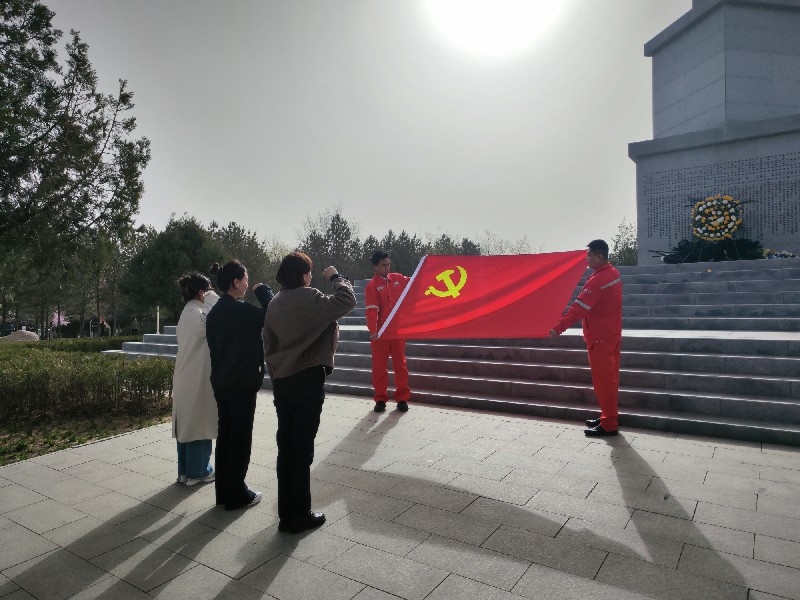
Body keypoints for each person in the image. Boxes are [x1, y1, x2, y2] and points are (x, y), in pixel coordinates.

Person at [263, 252, 355, 534]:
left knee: (287, 446)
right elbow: (347, 300)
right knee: (302, 448)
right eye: (310, 272)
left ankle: (286, 514)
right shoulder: (309, 297)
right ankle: (299, 515)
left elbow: (268, 342)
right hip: (306, 379)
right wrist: (336, 277)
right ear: (303, 274)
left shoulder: (275, 302)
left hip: (283, 381)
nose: (311, 276)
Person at [206, 260, 273, 510]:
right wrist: (263, 291)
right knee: (240, 439)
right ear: (235, 282)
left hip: (222, 382)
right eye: (245, 279)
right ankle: (237, 494)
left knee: (226, 437)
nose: (247, 283)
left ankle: (224, 492)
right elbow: (272, 312)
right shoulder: (240, 310)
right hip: (241, 383)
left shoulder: (216, 311)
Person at [550, 239, 623, 437]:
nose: (586, 258)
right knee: (609, 380)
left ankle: (609, 424)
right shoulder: (612, 274)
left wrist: (558, 328)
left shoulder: (599, 280)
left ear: (599, 256)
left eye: (588, 255)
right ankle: (608, 416)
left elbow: (578, 309)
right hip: (610, 335)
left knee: (604, 382)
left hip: (600, 339)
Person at [172, 272, 219, 486]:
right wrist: (213, 296)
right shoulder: (200, 315)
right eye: (208, 290)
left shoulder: (186, 312)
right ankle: (198, 472)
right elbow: (220, 312)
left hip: (185, 375)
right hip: (197, 377)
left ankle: (185, 472)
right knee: (199, 425)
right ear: (201, 292)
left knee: (185, 427)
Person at [365, 250, 411, 413]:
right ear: (375, 267)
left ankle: (402, 398)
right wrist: (373, 330)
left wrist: (426, 268)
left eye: (388, 264)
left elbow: (415, 282)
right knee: (379, 367)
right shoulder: (372, 286)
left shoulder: (398, 279)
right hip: (381, 333)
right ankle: (380, 399)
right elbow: (372, 310)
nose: (387, 267)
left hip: (398, 332)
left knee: (400, 365)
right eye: (383, 265)